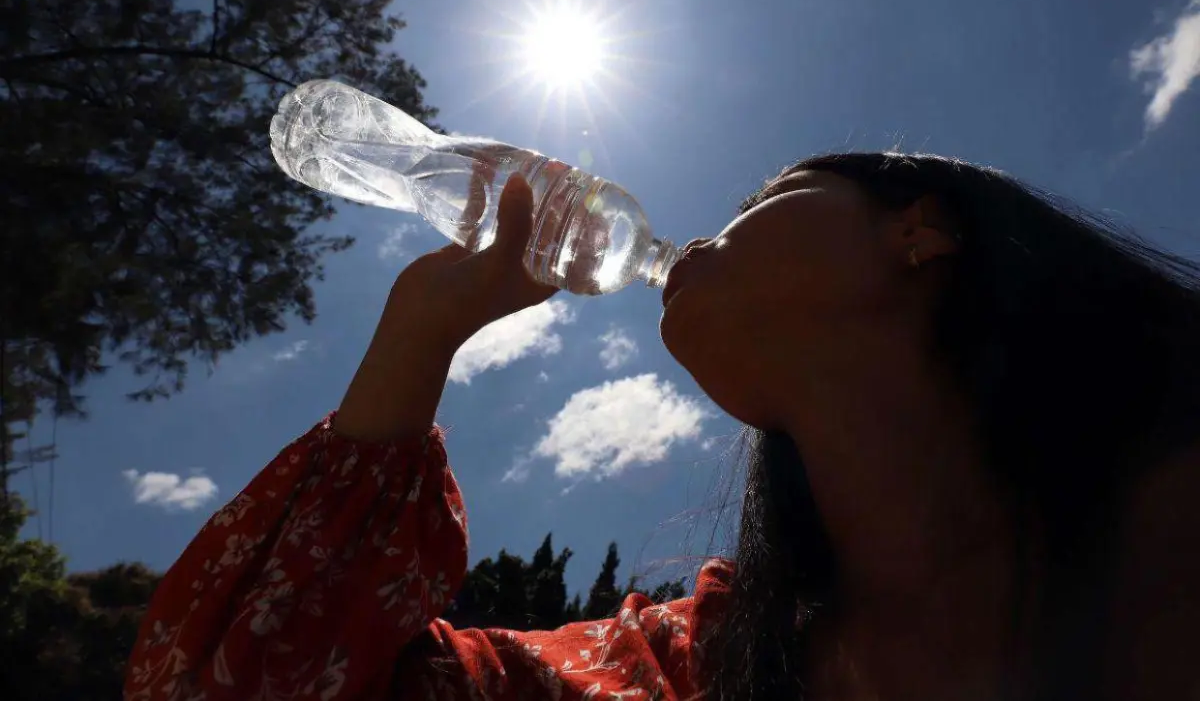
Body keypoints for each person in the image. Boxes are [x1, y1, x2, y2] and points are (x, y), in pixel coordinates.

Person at [124, 152, 1200, 701]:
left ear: (918, 228)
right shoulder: (681, 671)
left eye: (764, 194)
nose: (707, 232)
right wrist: (419, 333)